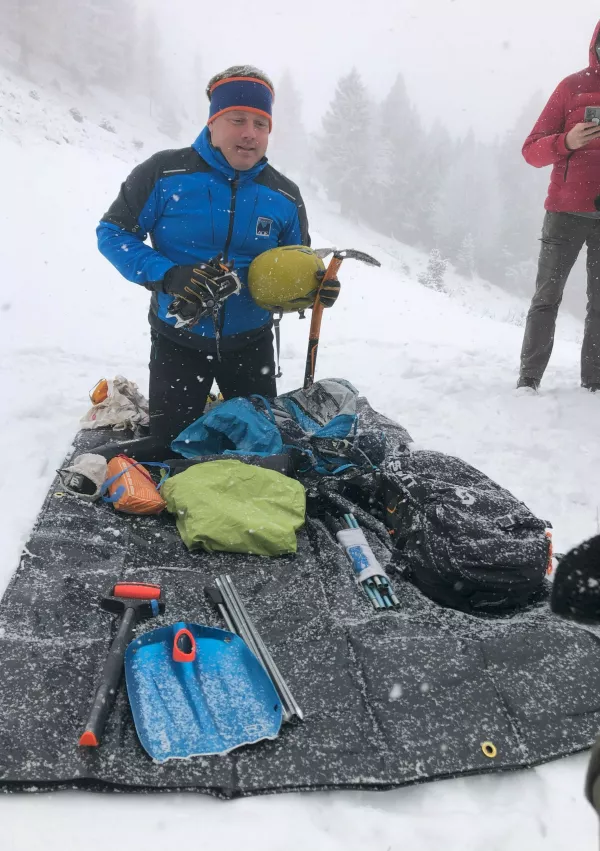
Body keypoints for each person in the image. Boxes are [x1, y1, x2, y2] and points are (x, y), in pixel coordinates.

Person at [96, 65, 339, 453]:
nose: (250, 133)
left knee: (260, 449)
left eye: (261, 124)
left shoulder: (284, 195)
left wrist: (316, 290)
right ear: (213, 122)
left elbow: (298, 264)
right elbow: (113, 233)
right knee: (171, 447)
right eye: (237, 119)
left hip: (251, 345)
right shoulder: (164, 173)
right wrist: (169, 274)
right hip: (179, 340)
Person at [517, 21, 600, 393]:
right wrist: (566, 140)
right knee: (546, 298)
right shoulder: (572, 86)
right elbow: (531, 149)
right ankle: (528, 380)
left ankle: (595, 383)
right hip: (564, 213)